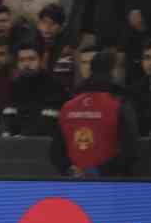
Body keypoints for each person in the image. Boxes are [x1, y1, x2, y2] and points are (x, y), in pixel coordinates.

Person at [52, 47, 140, 176]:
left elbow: (55, 152)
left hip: (74, 183)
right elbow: (130, 152)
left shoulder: (68, 105)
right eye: (122, 67)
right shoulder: (120, 104)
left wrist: (71, 170)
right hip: (112, 184)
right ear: (113, 71)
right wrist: (94, 172)